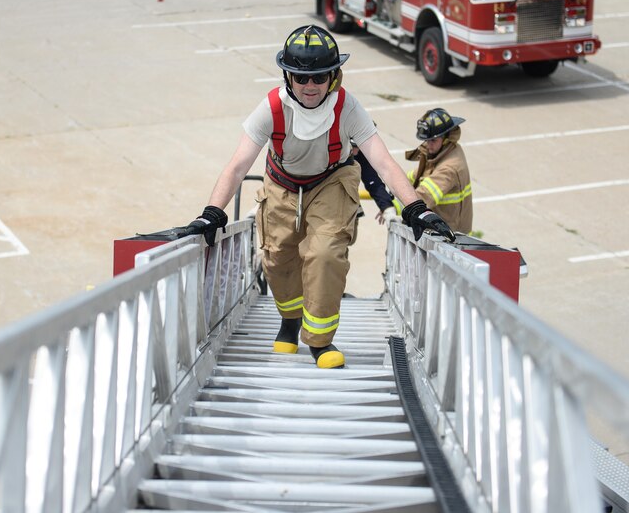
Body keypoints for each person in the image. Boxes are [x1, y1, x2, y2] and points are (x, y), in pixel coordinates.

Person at [185, 25, 454, 369]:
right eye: (301, 78)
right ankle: (290, 321)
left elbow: (383, 162)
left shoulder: (347, 107)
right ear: (288, 77)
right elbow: (238, 164)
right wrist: (211, 213)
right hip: (282, 183)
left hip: (331, 181)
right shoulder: (271, 107)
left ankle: (320, 341)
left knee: (325, 253)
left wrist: (415, 209)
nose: (310, 86)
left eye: (319, 77)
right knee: (277, 257)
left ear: (334, 76)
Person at [403, 108, 473, 234]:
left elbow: (424, 196)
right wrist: (394, 186)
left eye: (433, 140)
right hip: (440, 230)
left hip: (451, 238)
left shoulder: (449, 168)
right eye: (427, 140)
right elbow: (417, 176)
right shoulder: (441, 150)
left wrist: (391, 206)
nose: (428, 145)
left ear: (446, 138)